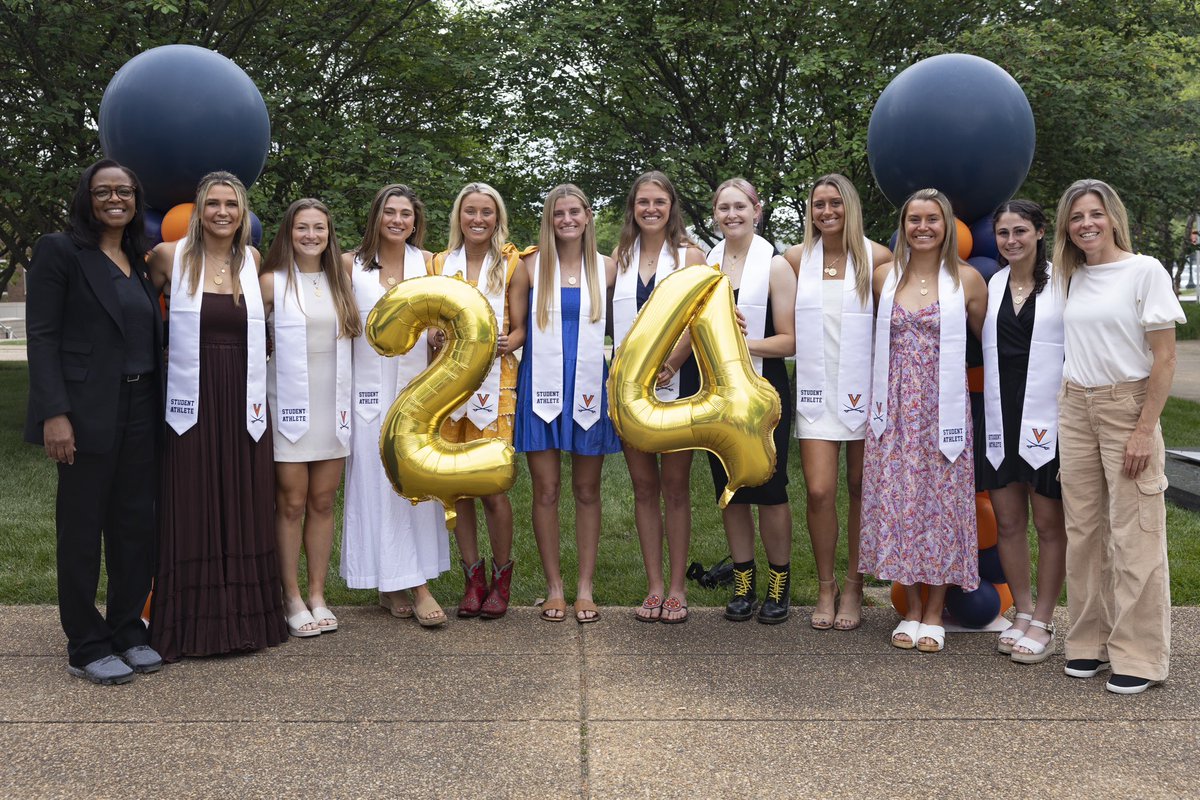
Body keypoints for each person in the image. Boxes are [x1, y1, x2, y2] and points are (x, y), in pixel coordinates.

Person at [25, 159, 164, 683]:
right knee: (82, 530)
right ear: (86, 196)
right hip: (84, 414)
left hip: (142, 409)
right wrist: (54, 414)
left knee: (134, 527)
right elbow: (42, 335)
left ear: (135, 199)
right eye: (103, 190)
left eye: (124, 191)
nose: (115, 199)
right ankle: (86, 642)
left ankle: (128, 628)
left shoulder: (138, 258)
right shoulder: (61, 250)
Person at [147, 171, 287, 661]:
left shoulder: (251, 261)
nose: (223, 212)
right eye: (213, 203)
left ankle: (245, 619)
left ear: (243, 211)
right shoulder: (168, 257)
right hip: (190, 398)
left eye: (232, 203)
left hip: (242, 397)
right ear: (199, 211)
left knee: (245, 496)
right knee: (193, 495)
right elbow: (139, 316)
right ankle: (189, 624)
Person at [1055, 179, 1183, 694]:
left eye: (1095, 214)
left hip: (1126, 404)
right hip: (1074, 405)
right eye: (1076, 216)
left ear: (1113, 217)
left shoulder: (1144, 270)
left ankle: (1141, 654)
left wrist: (1144, 429)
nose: (1086, 224)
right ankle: (1089, 642)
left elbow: (1166, 357)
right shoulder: (1069, 276)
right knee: (1083, 532)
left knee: (1135, 531)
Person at [859, 188, 988, 653]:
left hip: (943, 411)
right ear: (903, 225)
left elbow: (990, 349)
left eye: (933, 219)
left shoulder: (969, 281)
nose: (923, 227)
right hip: (892, 409)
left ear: (947, 224)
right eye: (914, 219)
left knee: (941, 506)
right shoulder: (882, 278)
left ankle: (935, 612)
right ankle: (911, 609)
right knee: (900, 503)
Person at [341, 184, 450, 627]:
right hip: (366, 392)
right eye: (390, 212)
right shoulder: (350, 265)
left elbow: (442, 317)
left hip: (417, 390)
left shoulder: (428, 264)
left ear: (415, 221)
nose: (398, 220)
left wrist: (439, 337)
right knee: (373, 481)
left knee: (412, 481)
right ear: (376, 217)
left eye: (406, 214)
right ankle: (391, 582)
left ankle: (415, 580)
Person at [785, 175, 891, 631]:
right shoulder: (794, 260)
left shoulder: (879, 258)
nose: (826, 212)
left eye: (834, 204)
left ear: (850, 207)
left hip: (866, 390)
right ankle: (825, 584)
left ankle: (854, 583)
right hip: (814, 391)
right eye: (818, 205)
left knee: (860, 488)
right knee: (819, 490)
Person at [511, 185, 621, 623]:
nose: (567, 220)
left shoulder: (610, 269)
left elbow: (629, 327)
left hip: (590, 385)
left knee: (587, 490)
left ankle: (585, 588)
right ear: (549, 219)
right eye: (559, 213)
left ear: (589, 216)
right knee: (547, 490)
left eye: (575, 212)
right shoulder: (529, 267)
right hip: (542, 384)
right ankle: (554, 587)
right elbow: (517, 328)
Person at [262, 199, 360, 637]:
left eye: (318, 228)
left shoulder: (341, 282)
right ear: (289, 232)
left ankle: (318, 593)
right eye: (302, 228)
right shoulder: (270, 282)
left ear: (328, 234)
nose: (310, 236)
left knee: (323, 501)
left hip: (332, 404)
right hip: (286, 404)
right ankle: (291, 595)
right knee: (292, 502)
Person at [611, 171, 706, 623]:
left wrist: (674, 360)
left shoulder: (690, 255)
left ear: (672, 207)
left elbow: (701, 315)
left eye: (659, 201)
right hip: (630, 387)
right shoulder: (621, 256)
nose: (650, 209)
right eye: (643, 201)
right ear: (633, 207)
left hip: (679, 381)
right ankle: (652, 586)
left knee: (675, 487)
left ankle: (677, 588)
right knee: (644, 487)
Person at [433, 182, 530, 619]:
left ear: (497, 217)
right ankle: (472, 578)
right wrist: (433, 335)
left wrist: (511, 340)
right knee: (459, 487)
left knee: (491, 486)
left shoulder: (512, 264)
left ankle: (502, 576)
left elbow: (522, 327)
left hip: (496, 383)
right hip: (448, 386)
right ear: (459, 216)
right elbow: (430, 321)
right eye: (470, 211)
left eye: (486, 212)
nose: (478, 219)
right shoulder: (439, 263)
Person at [976, 200, 1066, 664]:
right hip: (1000, 413)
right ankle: (1023, 612)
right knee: (1009, 521)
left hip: (1048, 415)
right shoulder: (993, 283)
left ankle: (1046, 620)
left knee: (1050, 524)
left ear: (1039, 231)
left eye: (1020, 231)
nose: (1011, 241)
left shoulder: (1064, 281)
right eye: (1004, 233)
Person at [707, 179, 798, 624]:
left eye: (740, 206)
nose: (732, 214)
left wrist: (743, 344)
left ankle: (780, 581)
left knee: (770, 487)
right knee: (732, 490)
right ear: (715, 214)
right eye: (724, 208)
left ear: (757, 210)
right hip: (717, 392)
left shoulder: (776, 266)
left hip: (764, 392)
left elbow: (789, 341)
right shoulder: (708, 265)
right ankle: (743, 580)